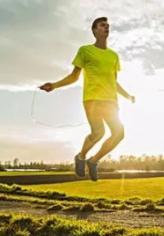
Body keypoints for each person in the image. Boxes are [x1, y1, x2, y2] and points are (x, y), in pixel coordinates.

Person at [39, 17, 135, 181]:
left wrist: (128, 95)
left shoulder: (114, 56)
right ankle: (81, 156)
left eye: (108, 25)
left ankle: (93, 161)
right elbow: (74, 77)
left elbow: (113, 81)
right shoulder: (85, 51)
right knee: (98, 132)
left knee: (119, 134)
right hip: (92, 99)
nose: (106, 27)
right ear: (94, 30)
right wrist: (54, 85)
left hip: (111, 101)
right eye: (102, 25)